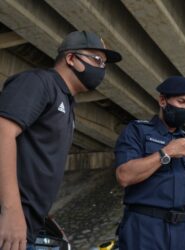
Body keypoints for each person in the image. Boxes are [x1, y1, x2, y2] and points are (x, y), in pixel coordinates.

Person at [0, 30, 121, 250]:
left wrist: (45, 219)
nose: (101, 69)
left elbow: (35, 165)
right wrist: (11, 211)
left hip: (31, 228)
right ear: (71, 58)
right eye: (96, 60)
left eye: (104, 64)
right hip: (9, 228)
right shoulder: (39, 83)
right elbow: (2, 133)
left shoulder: (66, 102)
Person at [114, 76, 185, 250]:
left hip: (182, 232)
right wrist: (166, 153)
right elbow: (124, 175)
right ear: (163, 101)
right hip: (144, 228)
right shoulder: (137, 131)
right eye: (181, 102)